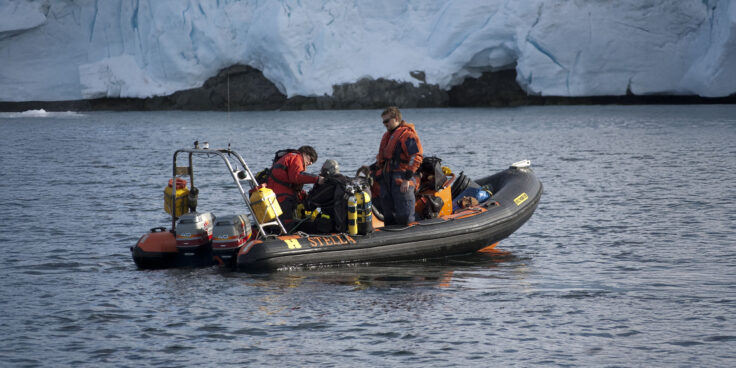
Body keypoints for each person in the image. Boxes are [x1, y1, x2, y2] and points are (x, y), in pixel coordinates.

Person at [375, 106, 423, 225]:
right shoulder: (387, 136)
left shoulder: (408, 135)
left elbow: (415, 156)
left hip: (402, 178)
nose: (385, 124)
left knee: (404, 215)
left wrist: (407, 179)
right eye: (383, 122)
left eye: (387, 121)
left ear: (396, 118)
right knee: (388, 214)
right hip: (387, 179)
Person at [266, 145, 325, 230]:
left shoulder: (290, 157)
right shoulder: (296, 157)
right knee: (287, 224)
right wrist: (317, 179)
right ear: (304, 154)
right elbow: (296, 176)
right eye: (310, 159)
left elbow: (292, 182)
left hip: (277, 196)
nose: (310, 163)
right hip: (282, 197)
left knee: (283, 223)